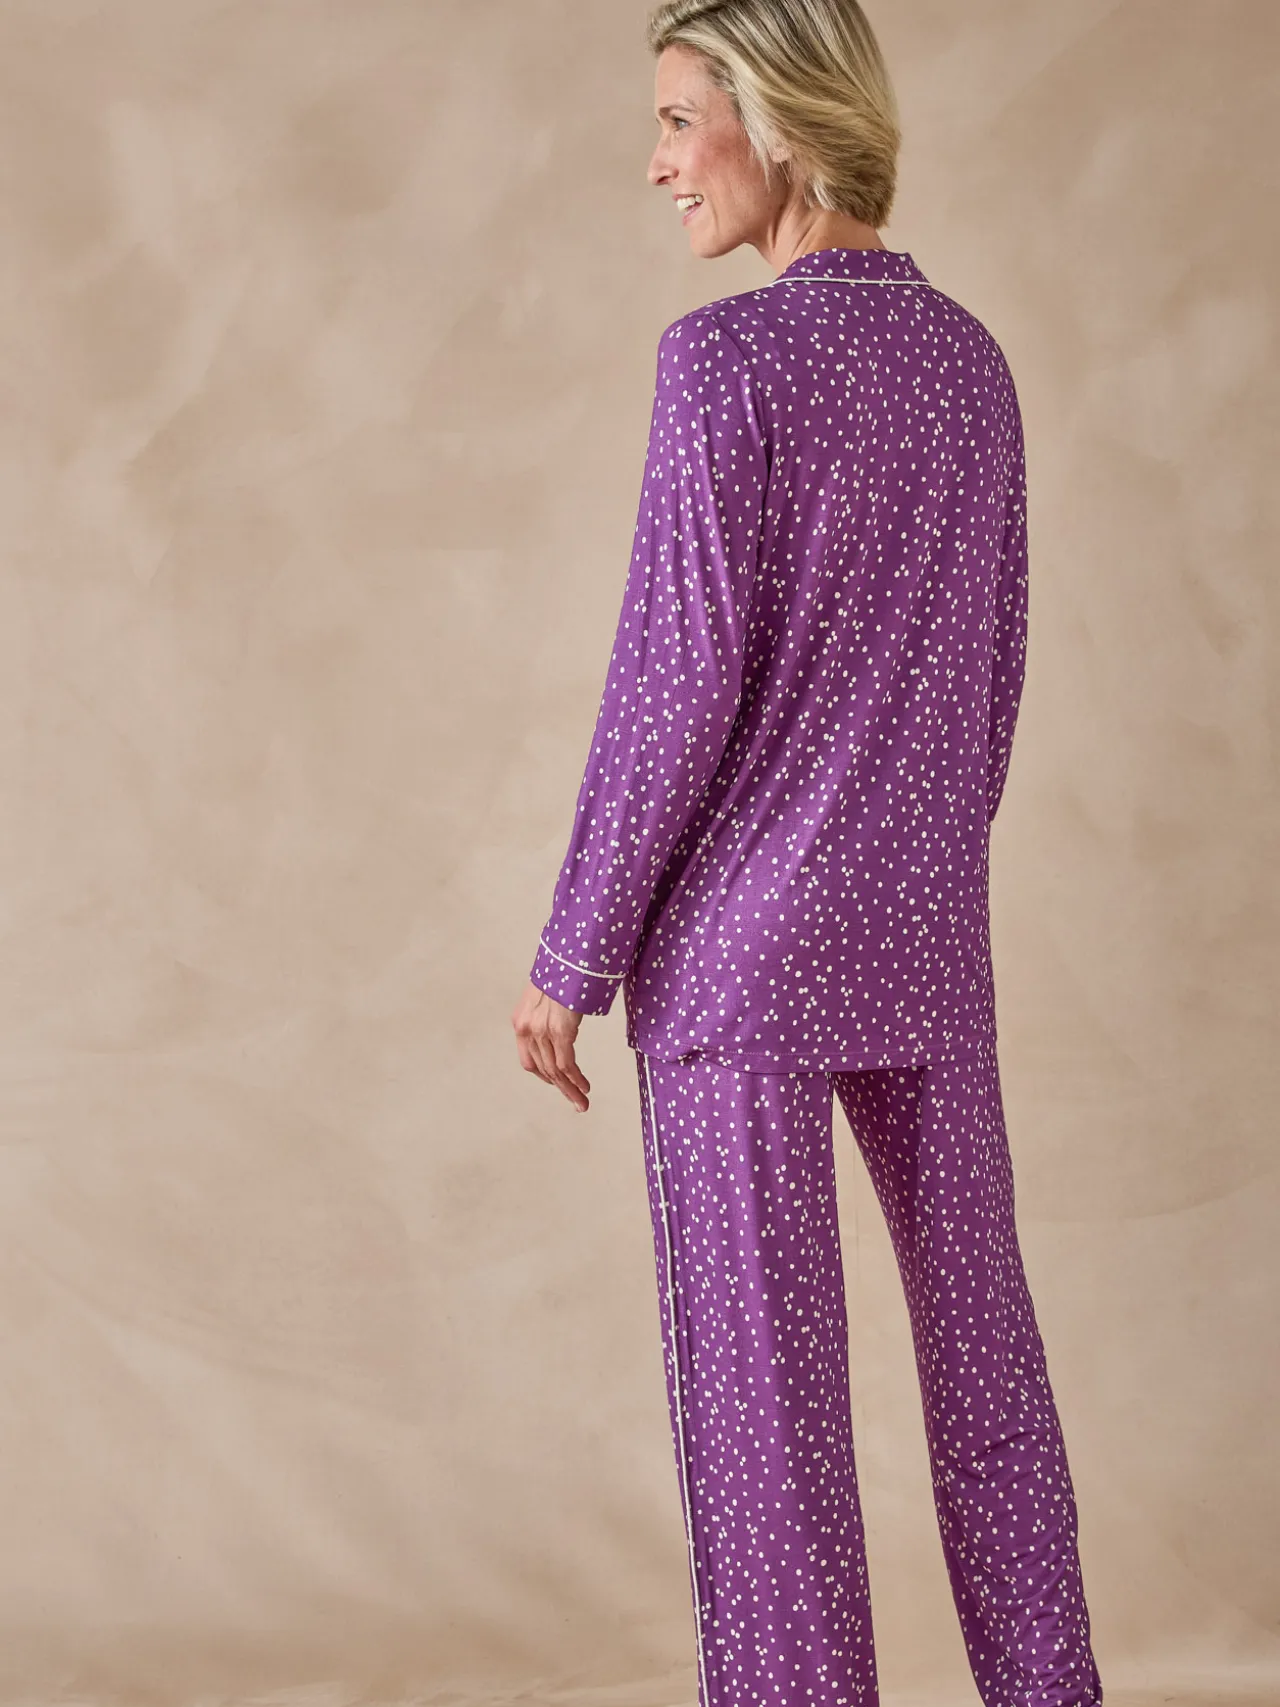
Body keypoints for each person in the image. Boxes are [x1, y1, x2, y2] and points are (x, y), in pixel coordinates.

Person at [511, 2, 1104, 1703]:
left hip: (739, 961)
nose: (657, 162)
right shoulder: (973, 365)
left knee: (770, 1426)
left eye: (677, 119)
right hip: (925, 935)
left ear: (776, 119)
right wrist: (911, 862)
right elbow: (992, 680)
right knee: (991, 1377)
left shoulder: (724, 365)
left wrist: (572, 950)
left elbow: (672, 681)